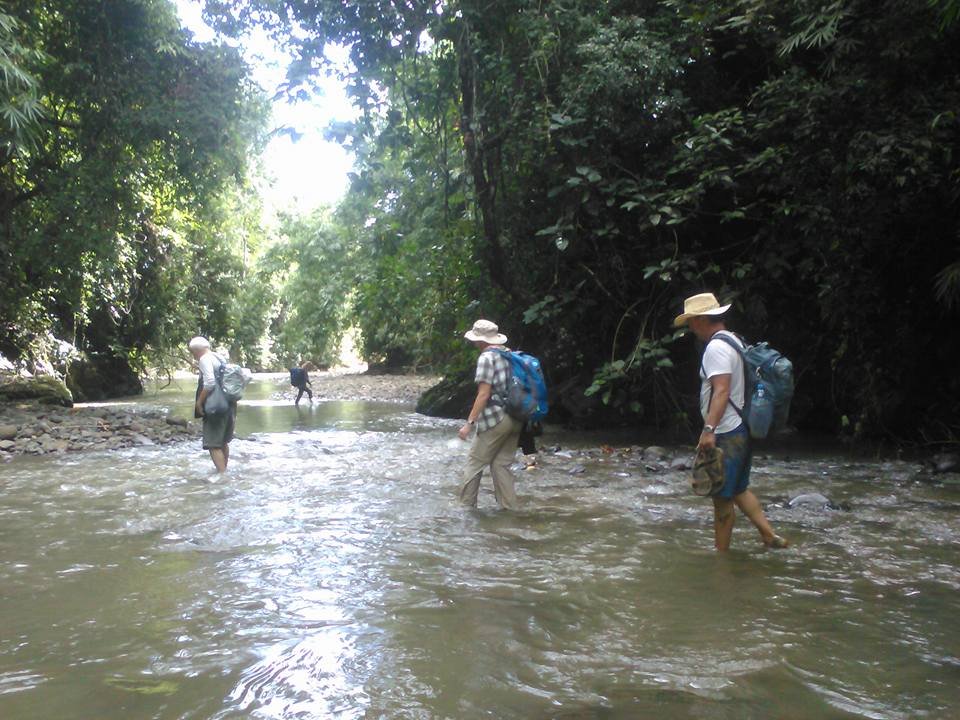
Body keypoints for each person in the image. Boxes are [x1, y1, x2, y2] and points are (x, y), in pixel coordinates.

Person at [674, 293, 789, 551]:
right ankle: (770, 537)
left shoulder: (715, 348)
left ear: (702, 319)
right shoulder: (734, 340)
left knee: (721, 501)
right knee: (738, 489)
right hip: (741, 428)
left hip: (726, 432)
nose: (691, 328)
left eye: (692, 321)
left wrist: (708, 430)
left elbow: (722, 391)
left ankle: (721, 559)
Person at [457, 319, 523, 509]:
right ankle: (509, 511)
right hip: (516, 416)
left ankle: (465, 509)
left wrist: (469, 424)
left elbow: (484, 394)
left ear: (480, 341)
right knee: (501, 465)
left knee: (474, 463)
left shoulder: (487, 358)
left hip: (496, 418)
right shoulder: (509, 354)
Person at [189, 336, 237, 473]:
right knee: (223, 441)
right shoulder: (219, 357)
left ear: (196, 351)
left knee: (213, 444)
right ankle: (224, 470)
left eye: (193, 353)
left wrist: (199, 403)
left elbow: (209, 383)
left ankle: (222, 476)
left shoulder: (204, 359)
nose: (194, 357)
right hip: (229, 403)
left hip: (215, 406)